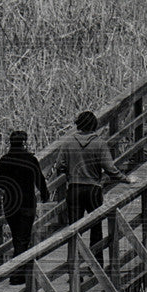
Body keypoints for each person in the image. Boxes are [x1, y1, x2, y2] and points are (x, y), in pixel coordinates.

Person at [54, 110, 135, 262]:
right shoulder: (99, 143)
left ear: (78, 125)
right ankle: (96, 264)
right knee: (96, 227)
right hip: (93, 189)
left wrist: (70, 172)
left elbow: (59, 166)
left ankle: (73, 266)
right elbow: (110, 169)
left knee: (73, 230)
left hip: (74, 188)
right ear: (94, 125)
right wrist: (127, 179)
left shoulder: (68, 142)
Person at [0, 130, 50, 285]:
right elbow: (40, 179)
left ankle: (18, 272)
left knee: (16, 237)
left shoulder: (5, 159)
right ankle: (18, 275)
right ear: (24, 143)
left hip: (11, 203)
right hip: (27, 202)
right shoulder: (30, 159)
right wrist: (45, 194)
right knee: (23, 238)